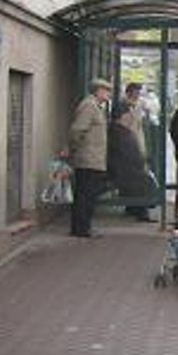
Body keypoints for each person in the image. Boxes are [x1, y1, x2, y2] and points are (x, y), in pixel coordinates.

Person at [68, 77, 112, 238]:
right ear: (98, 91)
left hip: (94, 159)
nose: (108, 94)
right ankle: (81, 228)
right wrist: (73, 149)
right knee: (85, 195)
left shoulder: (97, 107)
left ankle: (83, 226)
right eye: (106, 90)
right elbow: (77, 130)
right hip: (87, 159)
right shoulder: (89, 106)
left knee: (89, 194)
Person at [107, 101, 157, 222]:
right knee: (145, 181)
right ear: (123, 116)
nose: (132, 117)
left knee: (142, 178)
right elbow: (130, 155)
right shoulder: (120, 132)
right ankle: (142, 212)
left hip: (123, 168)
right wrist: (142, 164)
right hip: (121, 170)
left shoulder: (120, 130)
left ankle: (134, 208)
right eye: (130, 114)